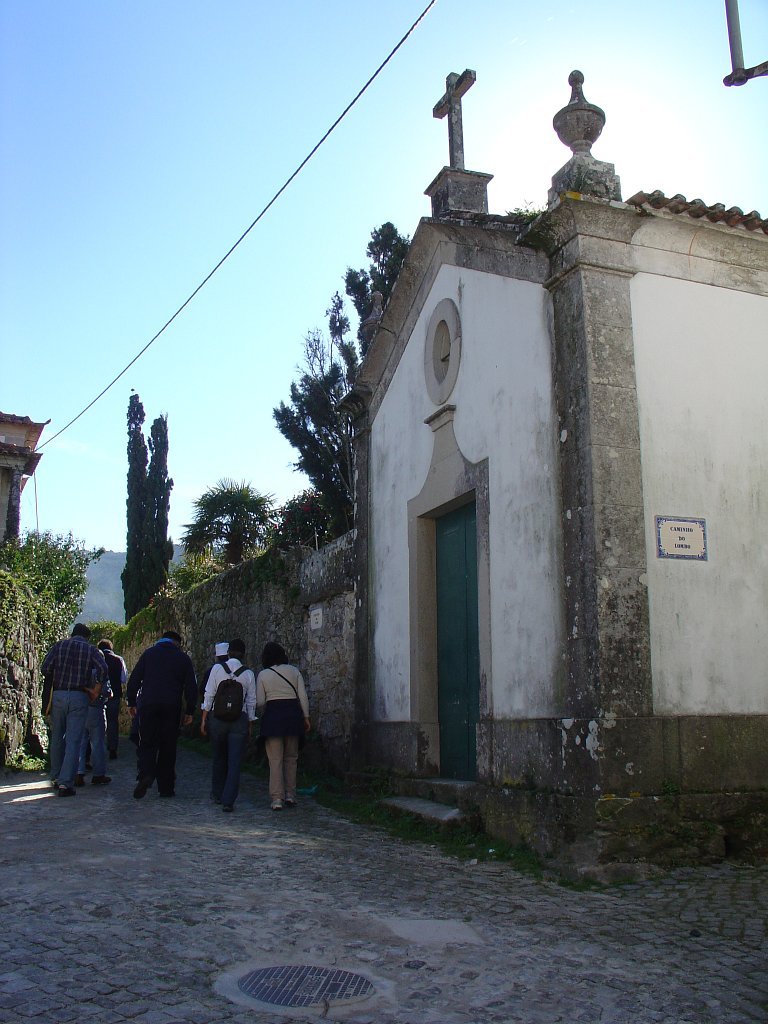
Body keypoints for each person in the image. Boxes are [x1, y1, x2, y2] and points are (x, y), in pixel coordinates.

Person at [126, 630, 197, 800]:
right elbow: (191, 687)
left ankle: (146, 774)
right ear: (177, 643)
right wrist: (190, 711)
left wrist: (131, 702)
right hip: (172, 707)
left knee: (147, 742)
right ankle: (166, 788)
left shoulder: (148, 654)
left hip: (149, 705)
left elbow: (134, 679)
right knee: (168, 746)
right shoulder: (183, 658)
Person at [42, 623, 108, 797]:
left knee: (57, 737)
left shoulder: (59, 646)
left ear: (72, 634)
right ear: (87, 637)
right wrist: (96, 690)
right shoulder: (91, 649)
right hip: (79, 695)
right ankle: (65, 783)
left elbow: (45, 668)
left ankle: (55, 776)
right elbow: (103, 669)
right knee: (73, 740)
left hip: (58, 695)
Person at [200, 638, 257, 812]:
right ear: (243, 654)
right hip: (239, 720)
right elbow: (251, 702)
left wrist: (204, 719)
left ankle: (217, 793)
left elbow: (209, 695)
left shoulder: (217, 669)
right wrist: (250, 724)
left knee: (219, 757)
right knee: (235, 761)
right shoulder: (248, 674)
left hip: (218, 719)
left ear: (228, 652)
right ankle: (228, 800)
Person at [256, 641, 310, 811]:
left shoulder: (263, 675)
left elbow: (260, 701)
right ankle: (291, 794)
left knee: (275, 760)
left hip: (273, 718)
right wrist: (306, 717)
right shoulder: (294, 671)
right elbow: (303, 696)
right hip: (293, 717)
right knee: (291, 758)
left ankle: (277, 798)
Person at [75, 669, 113, 786]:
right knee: (97, 743)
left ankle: (78, 773)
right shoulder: (101, 671)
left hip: (80, 708)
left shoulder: (81, 669)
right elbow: (107, 692)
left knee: (80, 743)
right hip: (96, 709)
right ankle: (98, 774)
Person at [98, 639, 127, 759]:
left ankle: (97, 749)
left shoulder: (97, 658)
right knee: (112, 721)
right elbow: (123, 678)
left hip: (98, 694)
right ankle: (112, 748)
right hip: (114, 694)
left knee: (96, 722)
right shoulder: (118, 659)